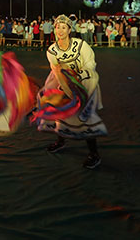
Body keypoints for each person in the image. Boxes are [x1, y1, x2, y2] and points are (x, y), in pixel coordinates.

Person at [36, 15, 107, 169]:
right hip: (63, 82)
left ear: (69, 30)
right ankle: (61, 141)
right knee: (59, 110)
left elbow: (90, 65)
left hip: (85, 81)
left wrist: (78, 83)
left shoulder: (82, 45)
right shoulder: (52, 50)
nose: (60, 31)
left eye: (63, 27)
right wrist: (67, 90)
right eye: (57, 27)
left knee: (85, 116)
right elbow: (56, 71)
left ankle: (94, 153)